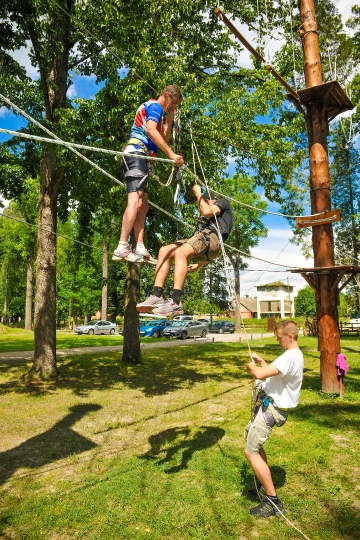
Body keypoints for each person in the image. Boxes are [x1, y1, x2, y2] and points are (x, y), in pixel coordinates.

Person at [112, 85, 184, 264]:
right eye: (174, 104)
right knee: (135, 202)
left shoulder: (161, 112)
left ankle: (140, 247)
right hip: (136, 153)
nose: (174, 109)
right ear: (166, 96)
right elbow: (151, 131)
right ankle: (122, 246)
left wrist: (170, 117)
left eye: (176, 107)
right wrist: (172, 155)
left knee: (143, 206)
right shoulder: (154, 106)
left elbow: (163, 138)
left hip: (141, 158)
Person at [136, 185, 233, 316]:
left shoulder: (222, 203)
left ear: (209, 200)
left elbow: (207, 212)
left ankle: (175, 302)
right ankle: (157, 295)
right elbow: (209, 253)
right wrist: (198, 265)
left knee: (180, 253)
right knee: (164, 251)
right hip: (203, 241)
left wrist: (198, 193)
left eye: (201, 204)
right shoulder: (206, 222)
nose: (199, 209)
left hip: (212, 237)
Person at [244, 320, 304, 518]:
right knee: (252, 440)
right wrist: (262, 364)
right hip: (271, 407)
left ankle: (272, 501)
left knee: (250, 451)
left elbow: (259, 375)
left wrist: (252, 368)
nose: (278, 341)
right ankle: (263, 484)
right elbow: (275, 374)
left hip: (272, 410)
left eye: (279, 338)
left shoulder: (291, 356)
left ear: (290, 336)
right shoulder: (293, 355)